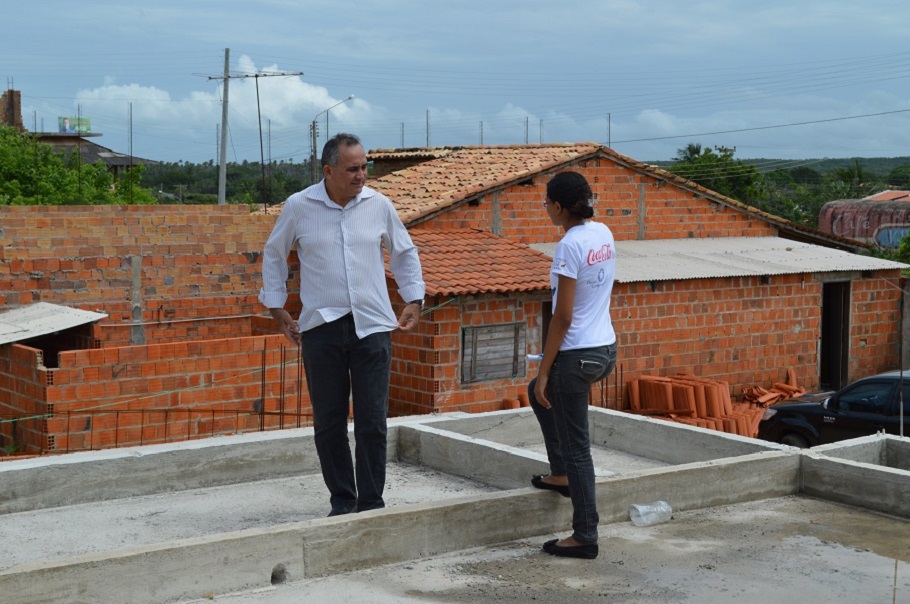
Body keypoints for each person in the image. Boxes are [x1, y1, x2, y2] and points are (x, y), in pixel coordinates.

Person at [259, 132, 425, 517]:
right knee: (329, 422)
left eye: (364, 166)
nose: (361, 175)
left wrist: (413, 298)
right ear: (329, 170)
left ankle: (370, 503)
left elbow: (404, 251)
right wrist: (276, 306)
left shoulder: (379, 205)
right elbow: (274, 254)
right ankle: (343, 500)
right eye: (352, 168)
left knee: (372, 421)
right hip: (321, 329)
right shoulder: (299, 206)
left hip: (372, 328)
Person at [528, 171, 618, 559]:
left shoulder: (568, 245)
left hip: (576, 355)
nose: (545, 207)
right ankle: (560, 473)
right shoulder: (603, 233)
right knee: (537, 396)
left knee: (579, 448)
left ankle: (585, 535)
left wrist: (546, 370)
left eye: (547, 202)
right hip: (605, 349)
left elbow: (561, 317)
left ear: (559, 206)